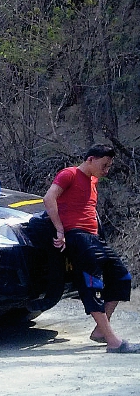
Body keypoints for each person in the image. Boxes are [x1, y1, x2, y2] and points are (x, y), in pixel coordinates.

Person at [42, 144, 138, 353]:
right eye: (104, 165)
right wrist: (60, 230)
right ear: (90, 160)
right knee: (92, 285)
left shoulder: (93, 181)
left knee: (122, 278)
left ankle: (100, 331)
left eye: (109, 166)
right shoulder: (69, 174)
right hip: (77, 237)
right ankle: (113, 342)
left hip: (94, 238)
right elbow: (49, 198)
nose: (106, 171)